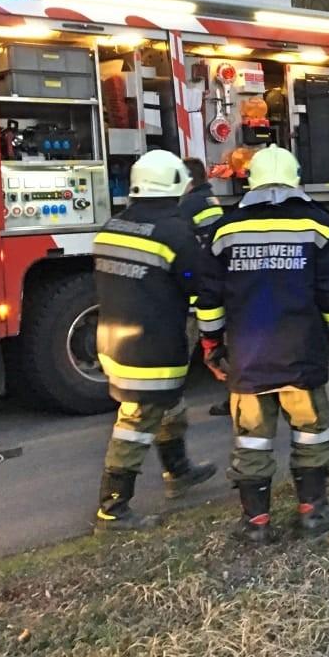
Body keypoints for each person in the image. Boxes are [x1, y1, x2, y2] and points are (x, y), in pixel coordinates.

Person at [195, 146, 329, 543]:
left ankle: (255, 524)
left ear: (251, 181)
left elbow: (209, 299)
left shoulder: (225, 229)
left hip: (247, 358)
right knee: (310, 432)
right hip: (300, 354)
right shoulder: (318, 224)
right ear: (295, 178)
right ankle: (313, 511)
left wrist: (212, 346)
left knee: (251, 439)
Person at [92, 150, 216, 533]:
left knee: (170, 407)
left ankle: (178, 472)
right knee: (136, 419)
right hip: (151, 346)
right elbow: (199, 282)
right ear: (178, 186)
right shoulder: (175, 233)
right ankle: (113, 509)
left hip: (113, 340)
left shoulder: (113, 226)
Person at [177, 157, 232, 418]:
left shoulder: (189, 205)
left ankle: (168, 402)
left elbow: (179, 243)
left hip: (198, 285)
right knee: (223, 344)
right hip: (216, 281)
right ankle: (236, 398)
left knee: (182, 344)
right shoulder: (209, 199)